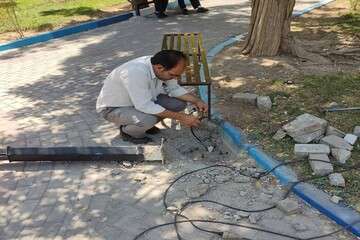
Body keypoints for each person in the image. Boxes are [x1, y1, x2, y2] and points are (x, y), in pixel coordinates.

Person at [96, 50, 208, 144]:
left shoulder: (159, 65)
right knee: (149, 119)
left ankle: (144, 124)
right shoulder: (135, 72)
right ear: (160, 68)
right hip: (113, 108)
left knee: (178, 104)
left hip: (141, 101)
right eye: (173, 75)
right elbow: (145, 106)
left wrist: (197, 101)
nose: (175, 78)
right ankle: (128, 132)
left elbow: (174, 89)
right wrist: (182, 117)